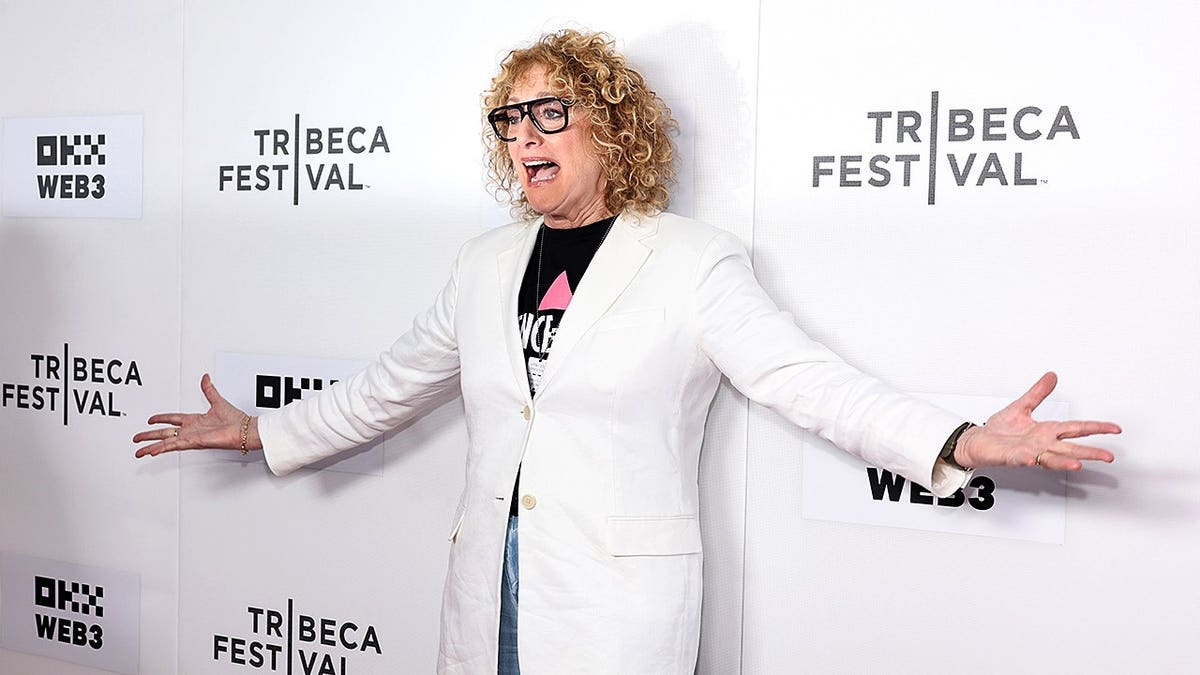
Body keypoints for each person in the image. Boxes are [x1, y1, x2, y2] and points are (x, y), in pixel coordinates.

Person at [134, 29, 1120, 675]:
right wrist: (262, 430)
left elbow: (806, 381)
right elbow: (387, 388)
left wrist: (959, 440)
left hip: (613, 608)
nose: (525, 135)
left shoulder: (692, 265)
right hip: (486, 594)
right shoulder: (483, 264)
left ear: (613, 128)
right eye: (510, 118)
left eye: (549, 112)